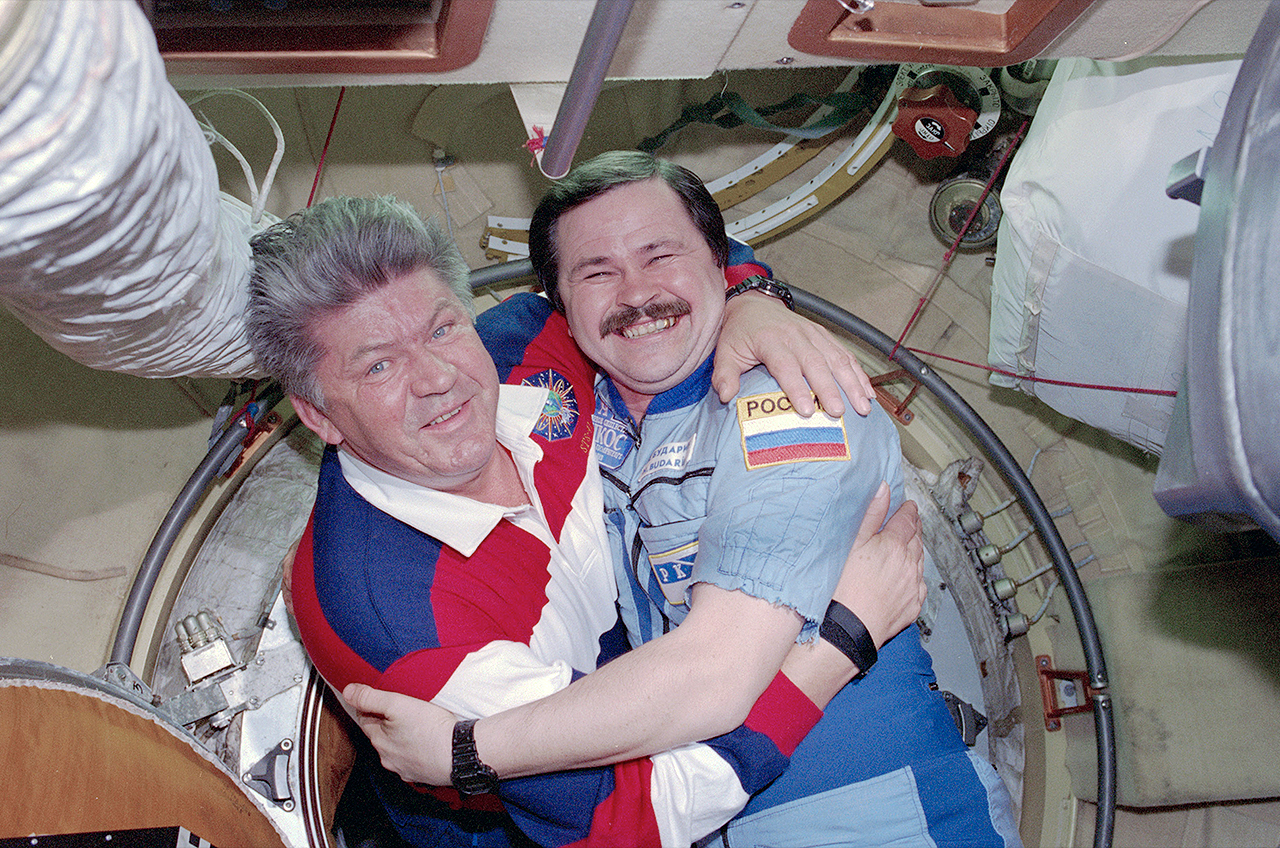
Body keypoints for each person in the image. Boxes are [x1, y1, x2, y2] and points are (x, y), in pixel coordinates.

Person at [346, 152, 1023, 848]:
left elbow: (715, 674)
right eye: (597, 272)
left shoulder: (793, 398)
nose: (636, 292)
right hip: (702, 815)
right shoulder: (584, 419)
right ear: (565, 310)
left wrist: (466, 752)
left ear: (717, 265)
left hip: (872, 816)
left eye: (660, 254)